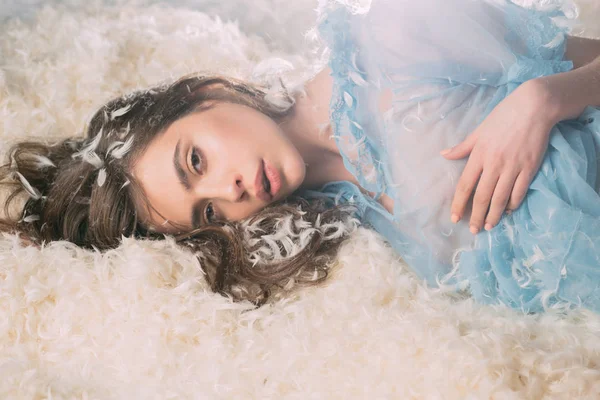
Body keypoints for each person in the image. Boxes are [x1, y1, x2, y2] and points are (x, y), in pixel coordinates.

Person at [1, 0, 600, 312]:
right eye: (206, 213)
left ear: (208, 93)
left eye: (195, 162)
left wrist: (544, 99)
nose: (229, 192)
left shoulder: (396, 38)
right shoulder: (342, 223)